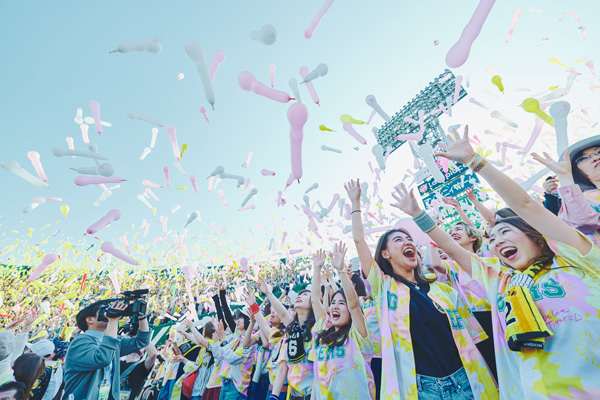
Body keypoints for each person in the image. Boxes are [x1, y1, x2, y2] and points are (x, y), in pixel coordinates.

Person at [395, 125, 600, 398]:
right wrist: (418, 214)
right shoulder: (501, 282)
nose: (496, 241)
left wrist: (473, 161)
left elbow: (524, 205)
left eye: (505, 231)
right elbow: (450, 247)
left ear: (538, 237)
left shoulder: (577, 259)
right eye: (491, 238)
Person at [345, 179, 498, 400]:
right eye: (398, 240)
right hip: (422, 389)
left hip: (467, 381)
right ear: (385, 254)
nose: (408, 242)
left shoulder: (443, 290)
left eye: (410, 239)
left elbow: (475, 339)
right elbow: (359, 240)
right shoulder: (385, 288)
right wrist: (355, 202)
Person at [311, 244, 375, 400]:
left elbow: (354, 305)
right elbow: (314, 300)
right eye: (333, 303)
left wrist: (341, 271)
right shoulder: (323, 333)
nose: (334, 306)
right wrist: (317, 269)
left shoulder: (358, 335)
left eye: (341, 303)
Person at [63, 300, 151, 400]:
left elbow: (141, 341)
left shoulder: (112, 341)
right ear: (90, 320)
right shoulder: (80, 342)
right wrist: (112, 321)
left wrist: (142, 316)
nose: (108, 313)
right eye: (104, 311)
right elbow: (102, 358)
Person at [532, 135, 600, 247]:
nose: (595, 158)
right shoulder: (585, 200)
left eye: (598, 152)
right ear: (578, 172)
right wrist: (565, 176)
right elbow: (582, 222)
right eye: (583, 158)